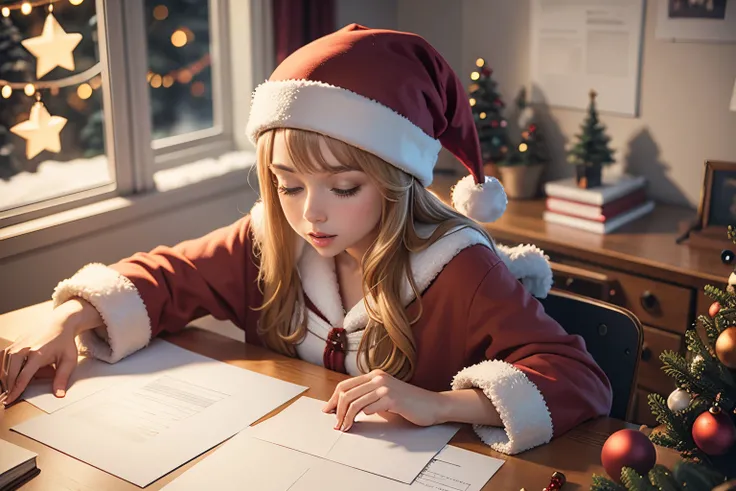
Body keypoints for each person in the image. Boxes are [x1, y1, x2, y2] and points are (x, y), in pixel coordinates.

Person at [2, 24, 612, 455]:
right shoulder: (268, 240)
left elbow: (580, 378)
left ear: (394, 181)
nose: (310, 214)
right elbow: (165, 276)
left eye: (344, 188)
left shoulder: (461, 269)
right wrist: (70, 317)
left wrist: (442, 404)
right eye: (288, 185)